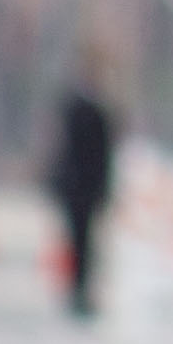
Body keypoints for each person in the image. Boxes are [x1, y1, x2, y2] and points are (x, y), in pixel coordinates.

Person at [43, 62, 119, 325]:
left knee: (84, 244)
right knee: (80, 243)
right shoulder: (85, 110)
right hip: (80, 188)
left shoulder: (82, 109)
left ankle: (80, 291)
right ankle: (77, 291)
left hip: (82, 188)